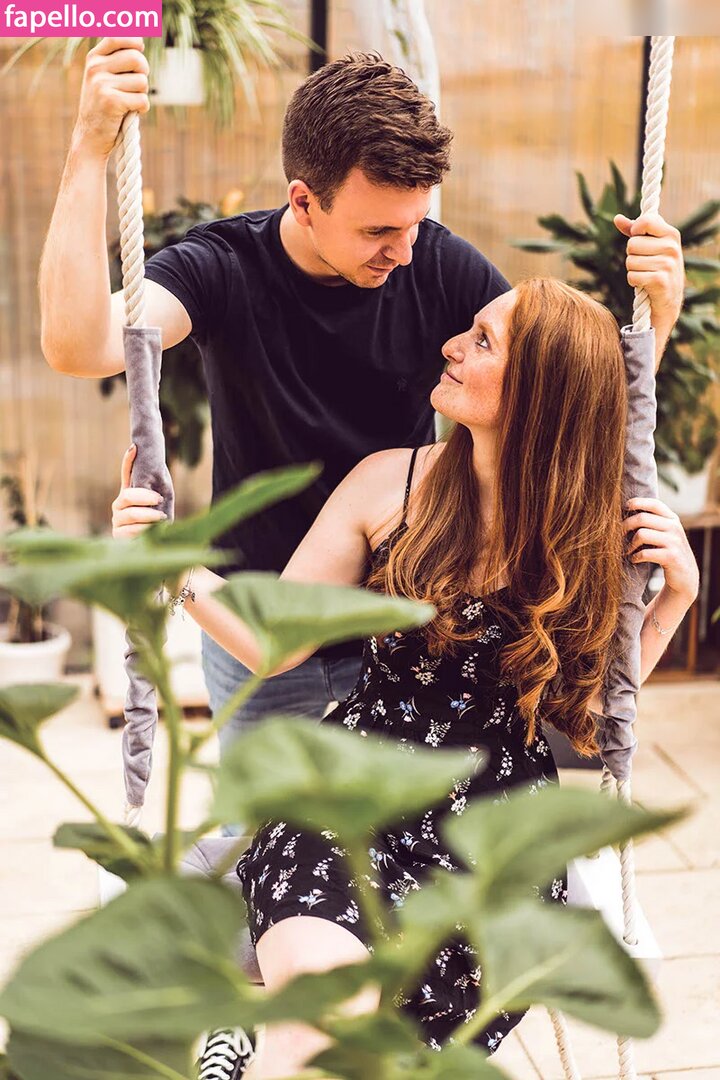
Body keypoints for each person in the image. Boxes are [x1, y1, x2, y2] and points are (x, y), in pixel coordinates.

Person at [41, 40, 686, 770]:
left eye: (414, 223)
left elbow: (563, 395)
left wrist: (659, 313)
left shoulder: (436, 261)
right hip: (255, 616)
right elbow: (79, 347)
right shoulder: (222, 267)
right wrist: (89, 145)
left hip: (406, 627)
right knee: (264, 819)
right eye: (378, 230)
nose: (404, 252)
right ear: (304, 202)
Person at [113, 278, 699, 1078]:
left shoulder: (589, 530)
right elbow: (274, 641)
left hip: (491, 838)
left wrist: (673, 601)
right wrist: (169, 565)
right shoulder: (389, 483)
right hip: (343, 803)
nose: (451, 346)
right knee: (319, 1020)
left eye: (483, 341)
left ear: (538, 391)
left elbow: (592, 724)